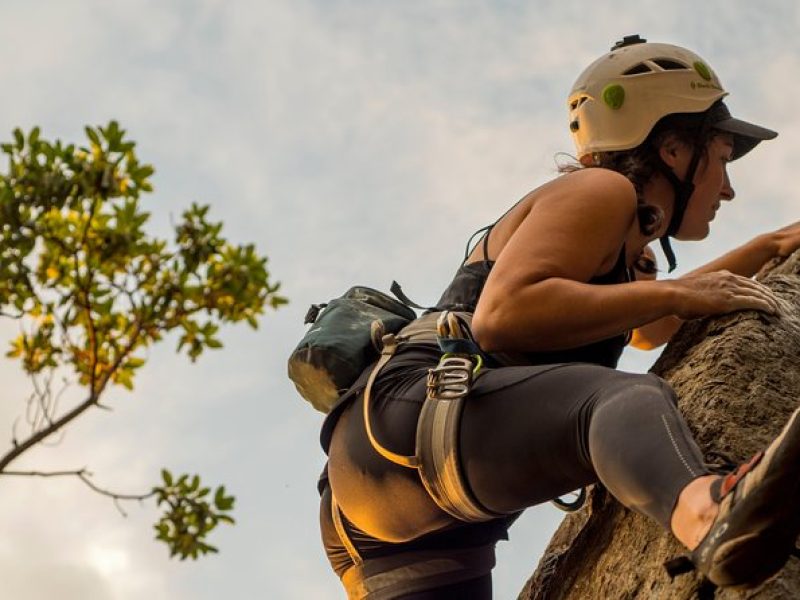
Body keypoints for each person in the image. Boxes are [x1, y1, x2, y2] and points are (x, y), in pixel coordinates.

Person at [317, 35, 800, 599]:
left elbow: (651, 328)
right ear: (673, 149)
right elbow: (505, 315)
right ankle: (707, 514)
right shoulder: (601, 191)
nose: (730, 188)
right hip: (418, 421)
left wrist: (772, 245)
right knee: (622, 397)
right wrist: (680, 295)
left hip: (387, 507)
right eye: (720, 157)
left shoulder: (628, 248)